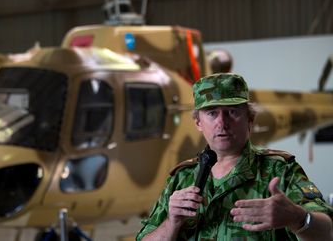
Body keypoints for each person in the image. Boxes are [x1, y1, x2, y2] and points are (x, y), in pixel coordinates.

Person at [136, 73, 333, 240]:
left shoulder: (279, 171)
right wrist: (172, 222)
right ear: (198, 122)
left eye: (232, 112)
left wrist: (297, 218)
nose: (222, 123)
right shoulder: (181, 178)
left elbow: (328, 232)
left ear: (250, 119)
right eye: (212, 113)